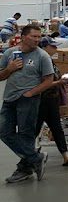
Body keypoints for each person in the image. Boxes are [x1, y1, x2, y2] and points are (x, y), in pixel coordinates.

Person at [0, 24, 53, 183]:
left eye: (39, 37)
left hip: (29, 100)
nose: (37, 40)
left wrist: (30, 93)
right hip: (9, 98)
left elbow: (48, 80)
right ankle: (36, 158)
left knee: (26, 134)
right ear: (23, 37)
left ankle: (25, 169)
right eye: (34, 36)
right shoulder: (9, 53)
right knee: (3, 131)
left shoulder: (42, 56)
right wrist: (9, 69)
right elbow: (1, 76)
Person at [35, 38, 68, 167]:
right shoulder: (40, 61)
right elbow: (42, 83)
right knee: (35, 129)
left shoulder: (50, 60)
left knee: (57, 128)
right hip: (41, 100)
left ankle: (66, 156)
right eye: (53, 46)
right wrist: (59, 82)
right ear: (45, 47)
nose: (56, 49)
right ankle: (27, 157)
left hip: (52, 99)